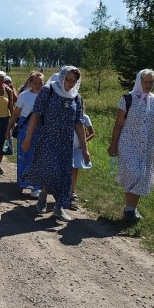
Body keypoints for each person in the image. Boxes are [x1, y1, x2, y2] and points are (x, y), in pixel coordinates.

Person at [21, 66, 90, 222]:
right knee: (52, 169)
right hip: (47, 138)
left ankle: (59, 208)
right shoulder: (48, 91)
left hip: (66, 142)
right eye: (68, 79)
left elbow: (79, 124)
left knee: (64, 174)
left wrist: (85, 149)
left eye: (74, 81)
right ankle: (44, 192)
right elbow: (36, 115)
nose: (71, 83)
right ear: (62, 77)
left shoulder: (76, 98)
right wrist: (28, 137)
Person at [108, 69, 154, 222]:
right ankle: (130, 209)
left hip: (149, 146)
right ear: (139, 81)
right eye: (145, 81)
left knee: (143, 176)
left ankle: (130, 210)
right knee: (134, 172)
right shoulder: (127, 99)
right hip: (128, 143)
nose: (148, 85)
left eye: (151, 82)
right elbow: (118, 124)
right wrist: (113, 145)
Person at [6, 71, 44, 197]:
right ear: (30, 83)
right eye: (36, 82)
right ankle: (23, 181)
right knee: (24, 155)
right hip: (25, 128)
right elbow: (16, 114)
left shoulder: (46, 96)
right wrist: (8, 128)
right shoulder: (24, 96)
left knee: (38, 157)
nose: (38, 85)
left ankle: (36, 186)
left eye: (40, 83)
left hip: (40, 128)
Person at [70, 99, 94, 209]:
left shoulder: (85, 117)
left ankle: (71, 190)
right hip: (67, 147)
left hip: (78, 148)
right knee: (66, 168)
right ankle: (63, 189)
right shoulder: (67, 115)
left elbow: (91, 133)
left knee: (75, 169)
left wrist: (83, 142)